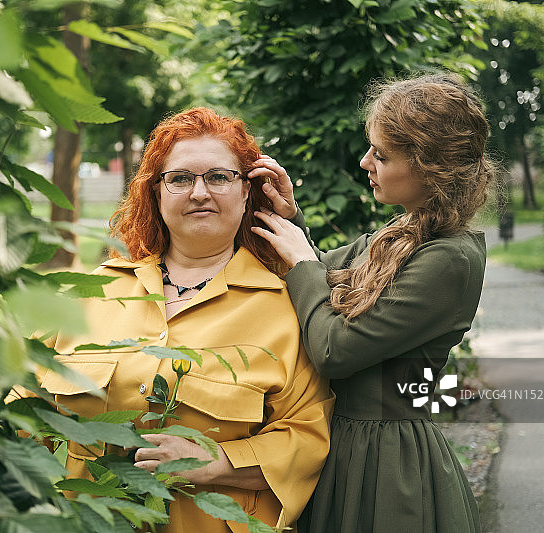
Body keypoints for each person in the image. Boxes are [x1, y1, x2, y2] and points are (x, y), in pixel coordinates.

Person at [25, 107, 333, 533]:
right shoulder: (92, 294)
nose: (199, 193)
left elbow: (310, 441)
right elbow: (20, 412)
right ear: (156, 192)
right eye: (180, 178)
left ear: (247, 193)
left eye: (219, 177)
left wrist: (216, 463)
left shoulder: (287, 309)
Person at [249, 73, 492, 532]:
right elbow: (322, 275)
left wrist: (302, 259)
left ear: (430, 166)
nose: (365, 162)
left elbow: (334, 349)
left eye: (381, 155)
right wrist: (290, 217)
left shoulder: (450, 258)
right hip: (343, 444)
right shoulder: (400, 235)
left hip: (386, 464)